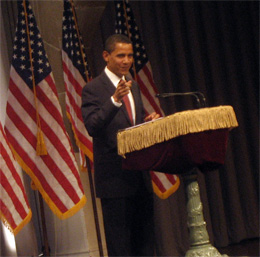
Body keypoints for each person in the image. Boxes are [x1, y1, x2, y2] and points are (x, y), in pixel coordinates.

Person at [81, 34, 159, 256]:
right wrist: (114, 101)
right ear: (106, 56)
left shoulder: (132, 86)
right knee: (120, 246)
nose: (127, 61)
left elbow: (132, 124)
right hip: (114, 180)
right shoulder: (93, 89)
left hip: (139, 176)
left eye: (130, 56)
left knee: (145, 243)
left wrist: (147, 123)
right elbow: (92, 127)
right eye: (121, 55)